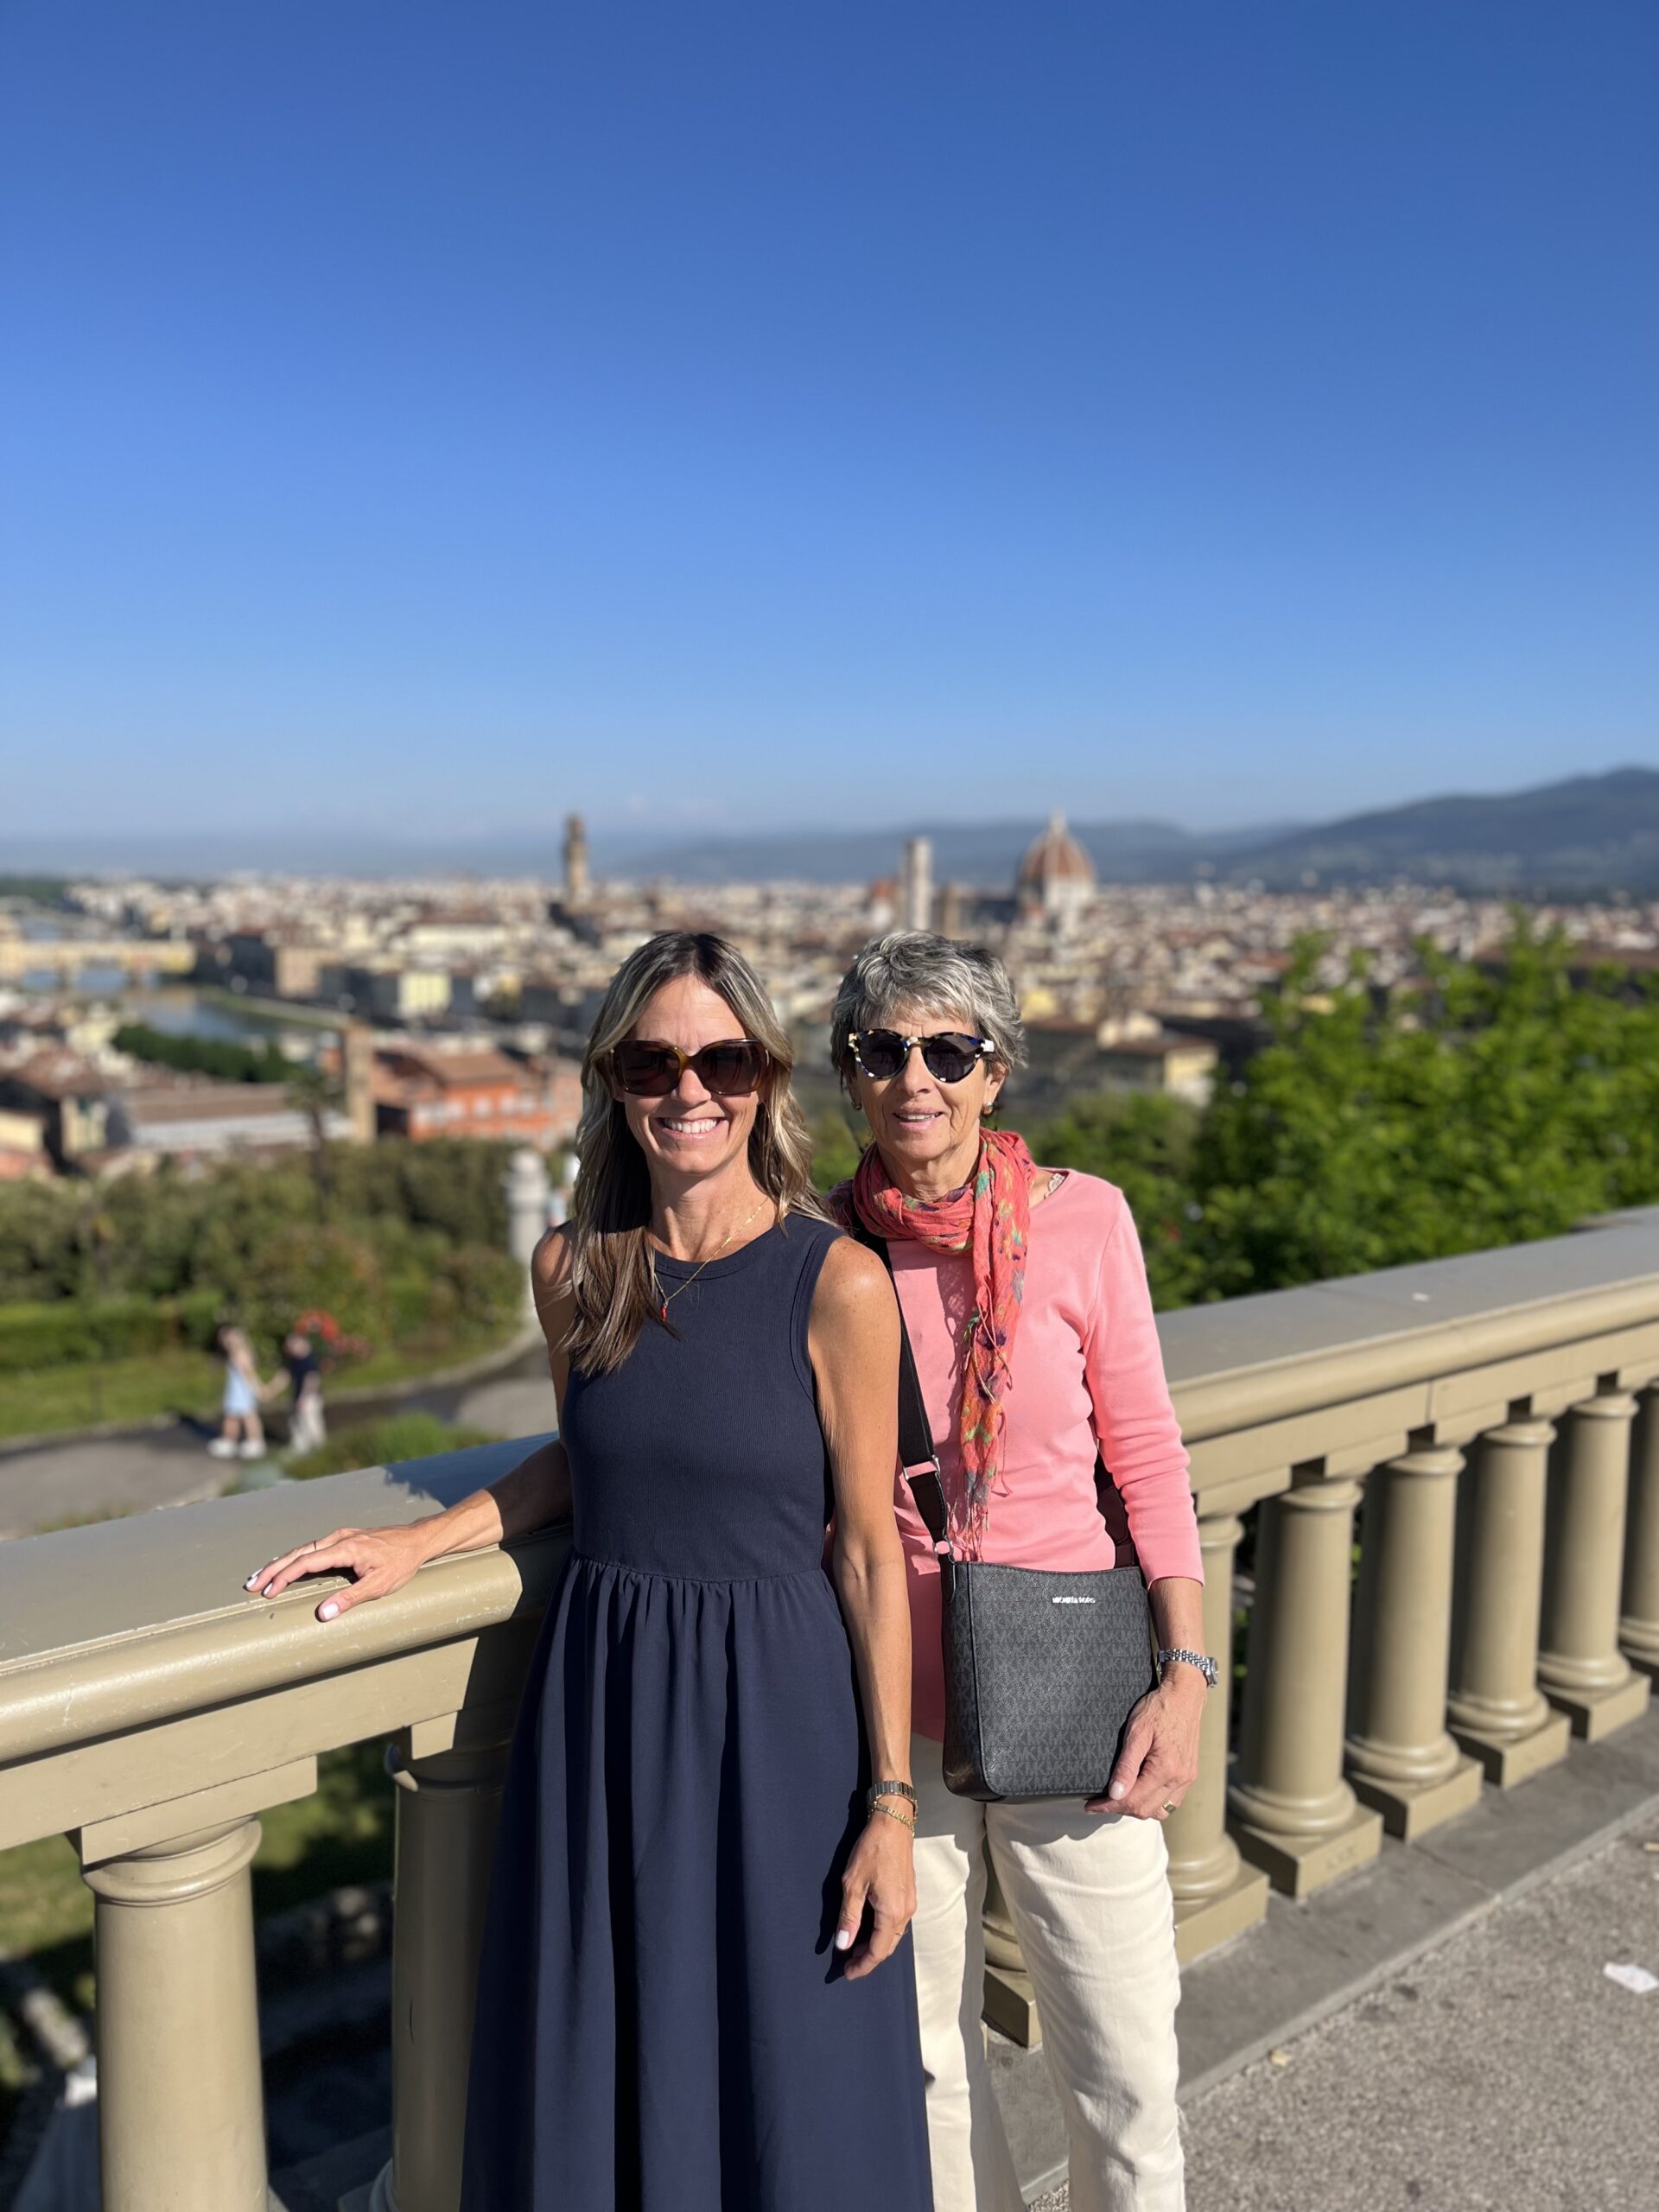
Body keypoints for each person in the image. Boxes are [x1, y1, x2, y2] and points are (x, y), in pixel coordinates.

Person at [244, 931, 935, 2212]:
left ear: (769, 1077)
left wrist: (888, 1804)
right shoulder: (575, 1269)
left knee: (794, 2071)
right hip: (607, 1715)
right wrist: (422, 1539)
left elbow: (869, 1551)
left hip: (781, 1732)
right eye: (652, 1059)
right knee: (609, 2060)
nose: (691, 1091)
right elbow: (598, 1459)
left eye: (724, 1060)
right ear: (611, 1077)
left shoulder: (834, 1282)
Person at [829, 930, 1206, 2212]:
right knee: (923, 2067)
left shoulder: (1083, 1222)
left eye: (949, 1050)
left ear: (997, 1073)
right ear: (852, 1077)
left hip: (1076, 1691)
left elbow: (1148, 1455)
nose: (914, 1078)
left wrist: (1189, 1671)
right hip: (892, 1718)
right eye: (883, 1052)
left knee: (1125, 2070)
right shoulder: (824, 1256)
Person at [208, 1324, 272, 1460]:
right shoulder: (235, 1352)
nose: (225, 1342)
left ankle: (255, 1442)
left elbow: (249, 1374)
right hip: (236, 1391)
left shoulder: (241, 1353)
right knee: (233, 1416)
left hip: (242, 1391)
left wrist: (258, 1389)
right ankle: (230, 1441)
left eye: (227, 1338)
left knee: (248, 1416)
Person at [280, 1322, 327, 1454]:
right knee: (295, 1421)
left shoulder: (309, 1360)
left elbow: (312, 1380)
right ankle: (300, 1447)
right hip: (298, 1396)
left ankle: (319, 1448)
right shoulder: (294, 1360)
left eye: (291, 1346)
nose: (289, 1349)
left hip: (310, 1397)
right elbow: (285, 1376)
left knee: (311, 1422)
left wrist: (304, 1397)